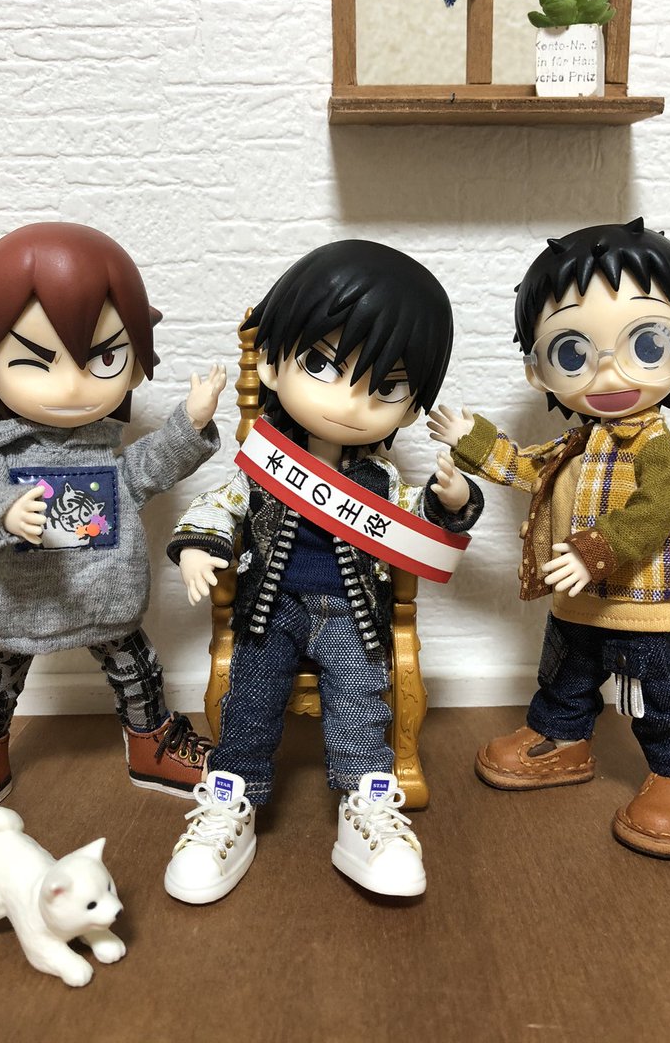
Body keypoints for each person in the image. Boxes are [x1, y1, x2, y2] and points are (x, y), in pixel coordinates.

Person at [164, 239, 483, 902]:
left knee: (361, 708)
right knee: (250, 702)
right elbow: (221, 504)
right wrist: (199, 546)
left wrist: (451, 503)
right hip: (269, 610)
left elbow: (414, 518)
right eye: (321, 365)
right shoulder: (265, 464)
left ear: (411, 407)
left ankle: (367, 806)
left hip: (353, 616)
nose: (350, 401)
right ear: (272, 365)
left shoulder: (381, 479)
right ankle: (231, 798)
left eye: (385, 387)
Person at [0, 222, 225, 836]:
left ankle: (151, 740)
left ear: (134, 367)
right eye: (36, 360)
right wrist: (5, 511)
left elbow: (145, 468)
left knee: (136, 668)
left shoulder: (107, 451)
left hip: (101, 597)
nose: (72, 383)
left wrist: (188, 425)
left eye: (104, 358)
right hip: (12, 600)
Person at [431, 219, 670, 858]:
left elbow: (655, 509)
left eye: (647, 344)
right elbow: (525, 467)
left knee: (657, 693)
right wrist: (469, 439)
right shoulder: (575, 444)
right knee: (566, 676)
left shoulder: (656, 448)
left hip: (639, 603)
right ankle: (562, 740)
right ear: (539, 372)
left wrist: (593, 553)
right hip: (576, 602)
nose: (608, 374)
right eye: (573, 354)